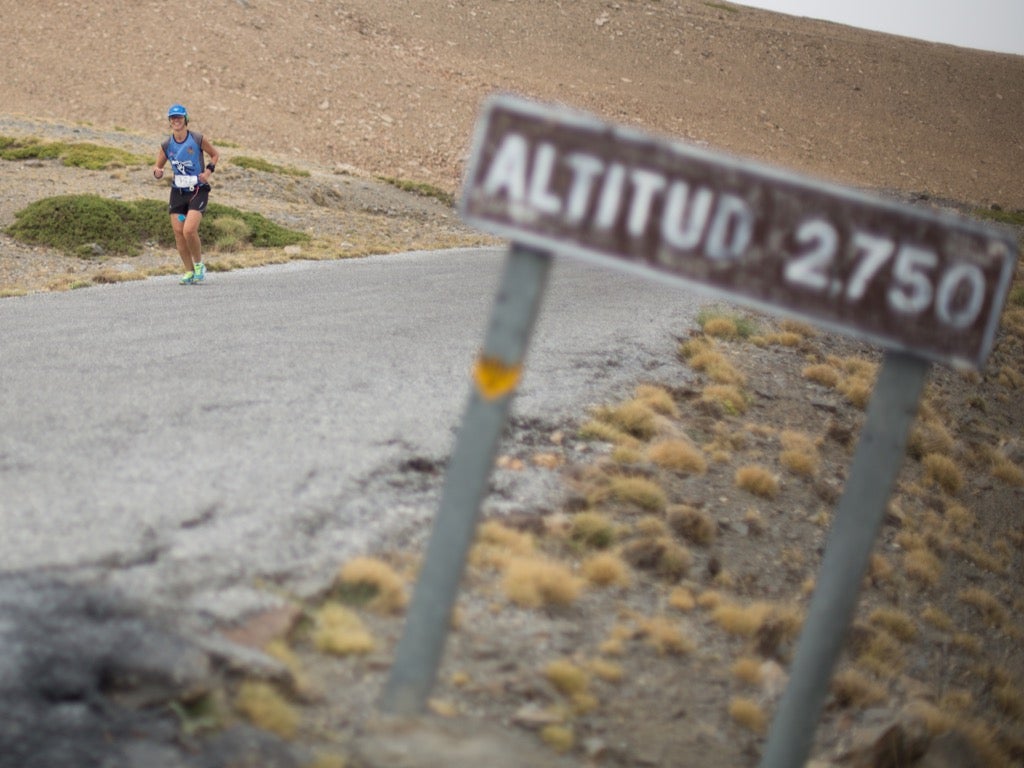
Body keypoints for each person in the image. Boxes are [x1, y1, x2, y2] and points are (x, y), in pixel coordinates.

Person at [152, 104, 220, 285]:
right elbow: (158, 167)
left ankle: (199, 265)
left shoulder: (197, 138)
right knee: (178, 233)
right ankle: (189, 271)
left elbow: (214, 155)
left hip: (198, 190)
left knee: (189, 230)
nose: (176, 121)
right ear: (169, 121)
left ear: (185, 119)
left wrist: (207, 173)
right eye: (173, 118)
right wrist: (158, 172)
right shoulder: (167, 144)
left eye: (179, 117)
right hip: (178, 192)